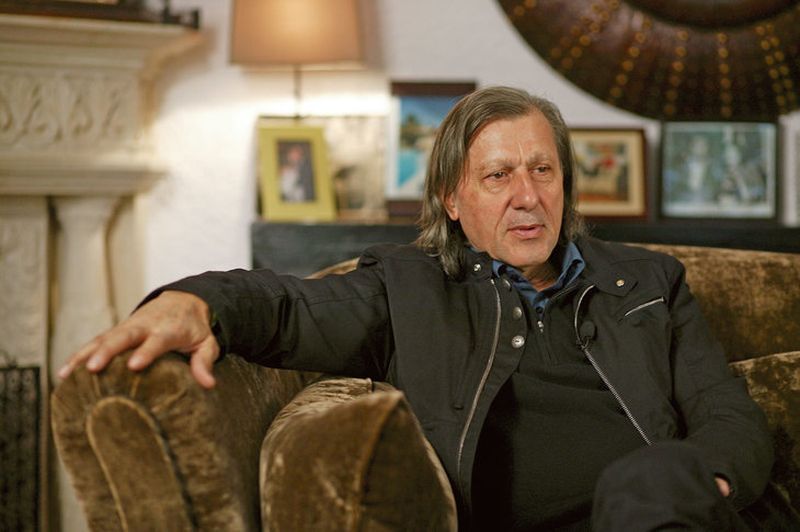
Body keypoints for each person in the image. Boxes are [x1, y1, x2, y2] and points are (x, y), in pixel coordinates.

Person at [61, 86, 772, 530]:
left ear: (565, 185)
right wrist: (196, 301)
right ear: (452, 200)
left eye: (542, 170)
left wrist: (694, 484)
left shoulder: (649, 281)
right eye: (498, 175)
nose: (528, 195)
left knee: (647, 478)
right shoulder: (408, 288)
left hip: (664, 516)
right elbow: (288, 308)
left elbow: (727, 414)